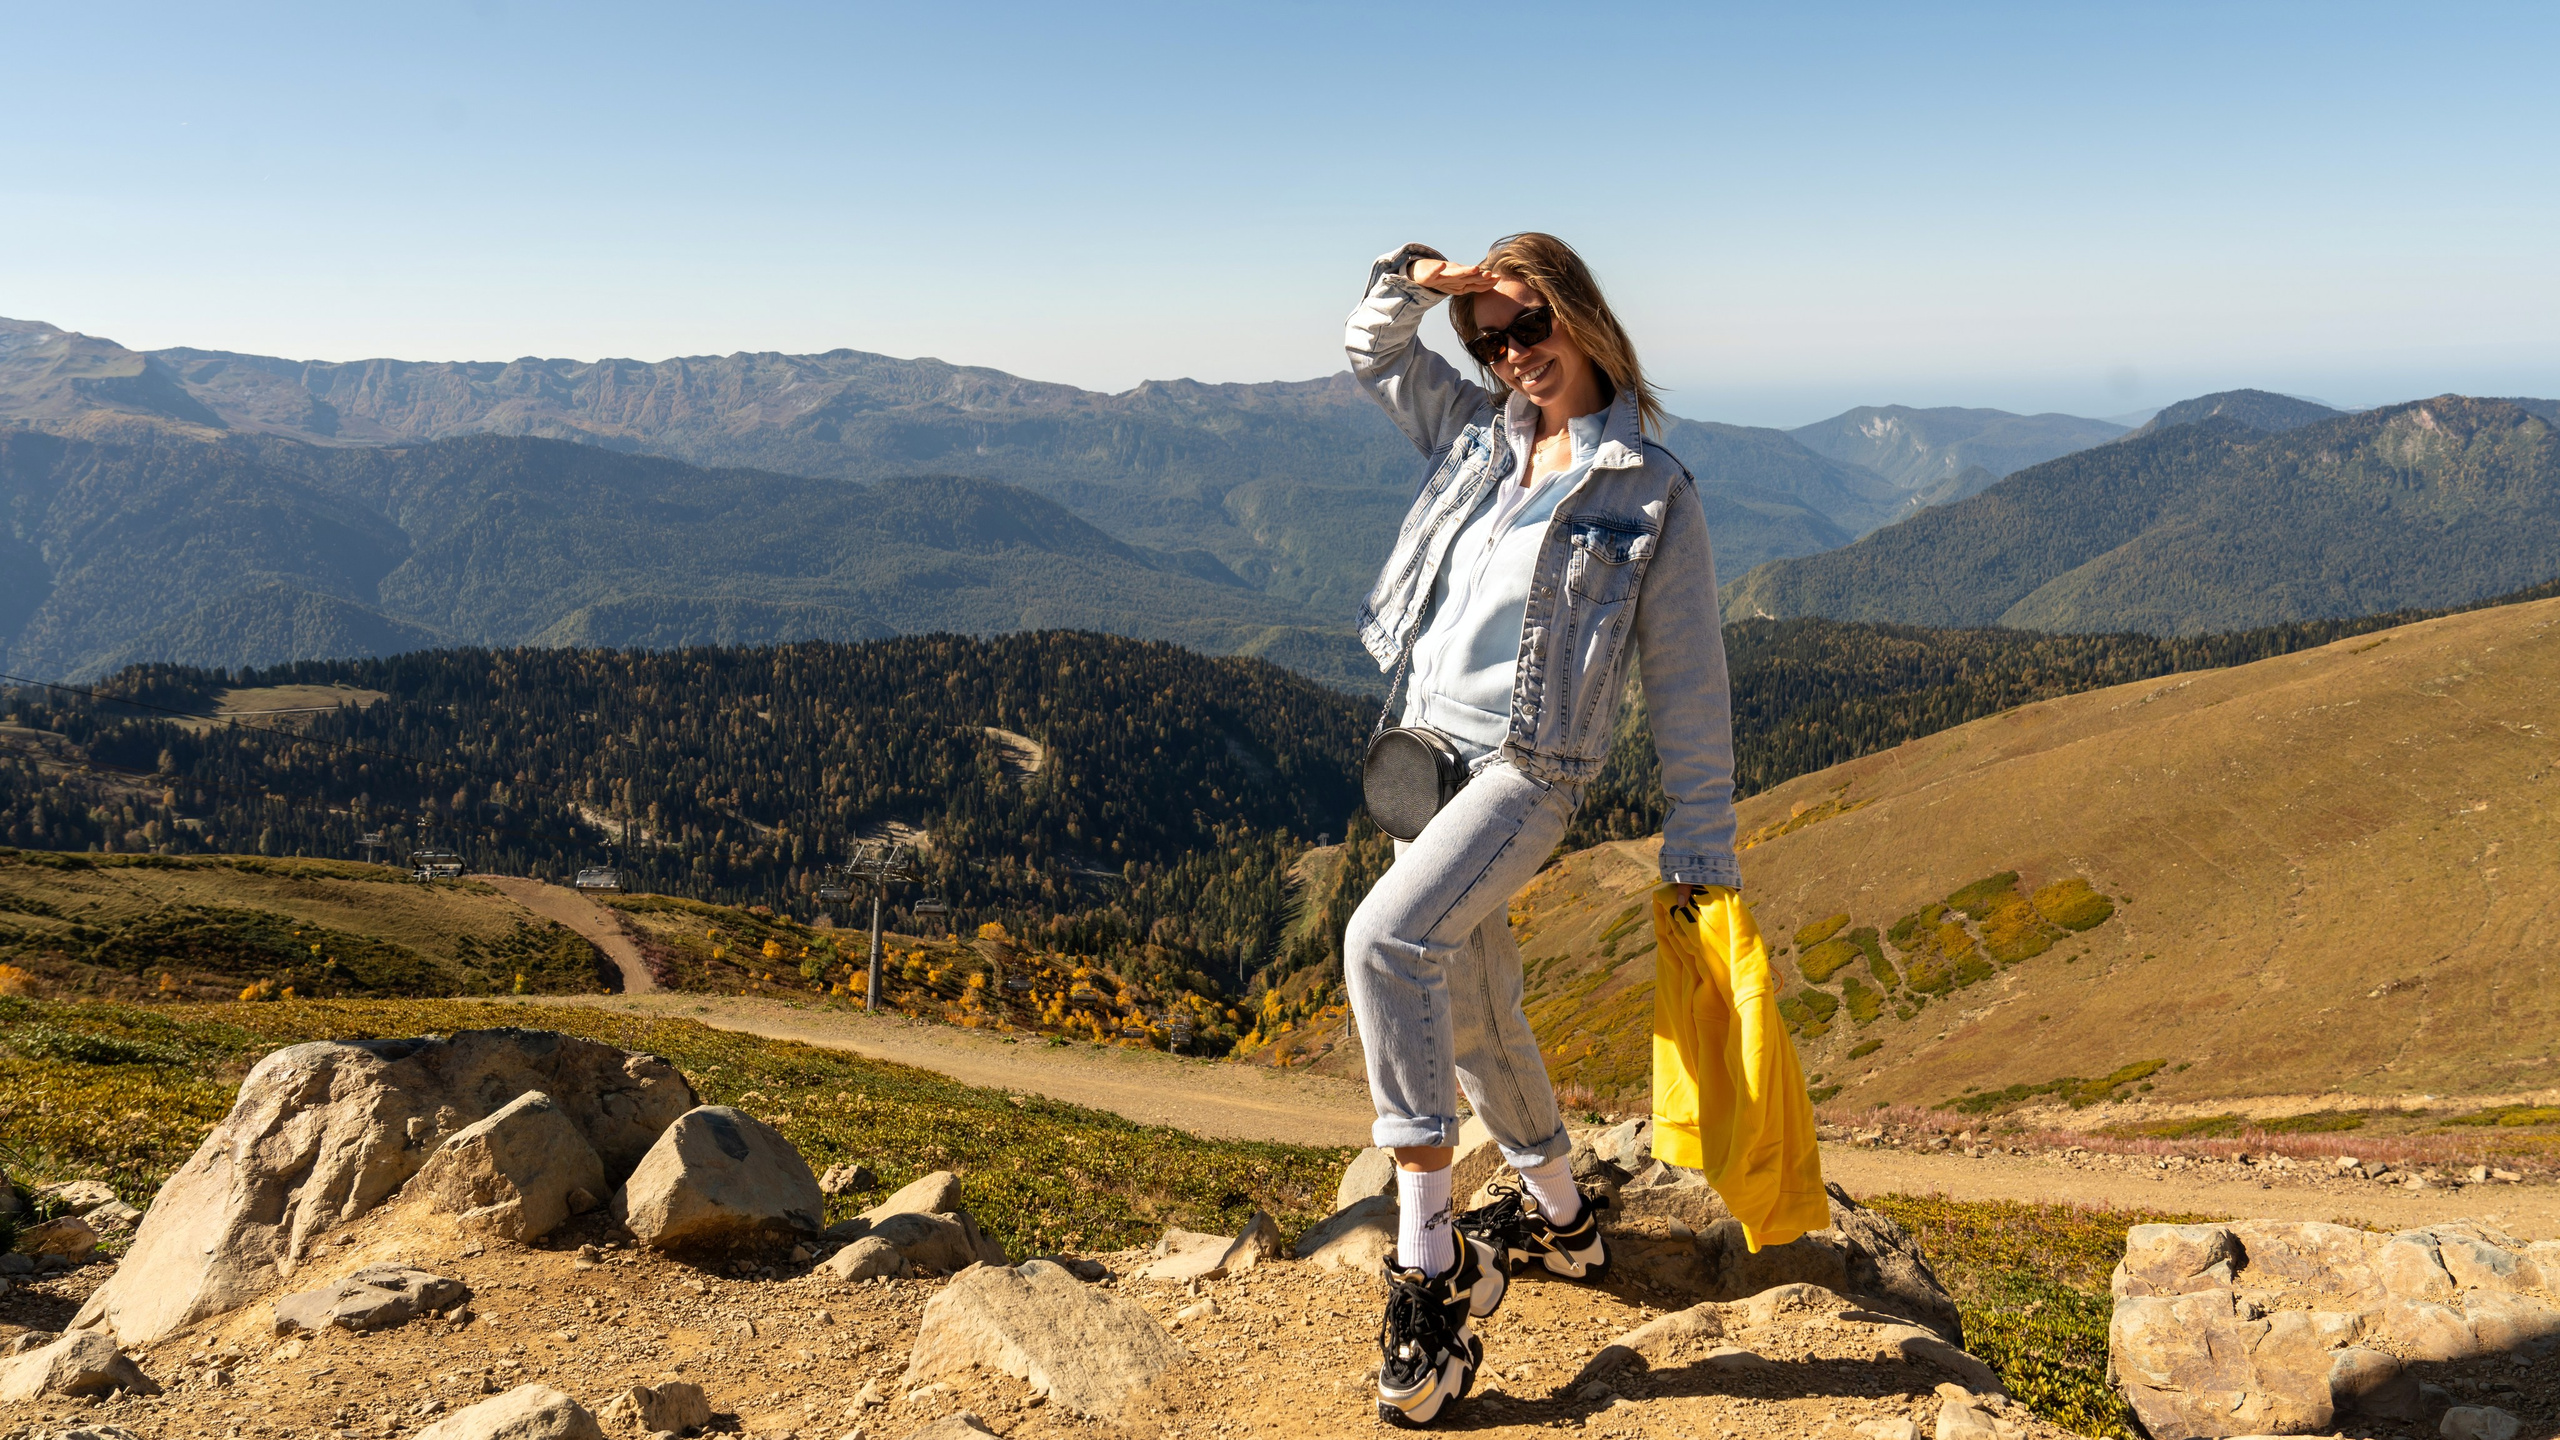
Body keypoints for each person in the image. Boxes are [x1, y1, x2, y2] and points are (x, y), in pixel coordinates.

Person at [1341, 234, 1740, 1427]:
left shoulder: (1650, 490)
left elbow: (1687, 681)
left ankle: (1429, 1258)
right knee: (1471, 998)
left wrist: (1701, 841)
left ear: (1580, 315)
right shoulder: (1475, 432)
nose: (1513, 356)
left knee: (1386, 945)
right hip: (1424, 754)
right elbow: (1371, 354)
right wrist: (1417, 288)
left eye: (1530, 328)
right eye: (1492, 338)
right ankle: (1564, 1221)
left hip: (1528, 769)